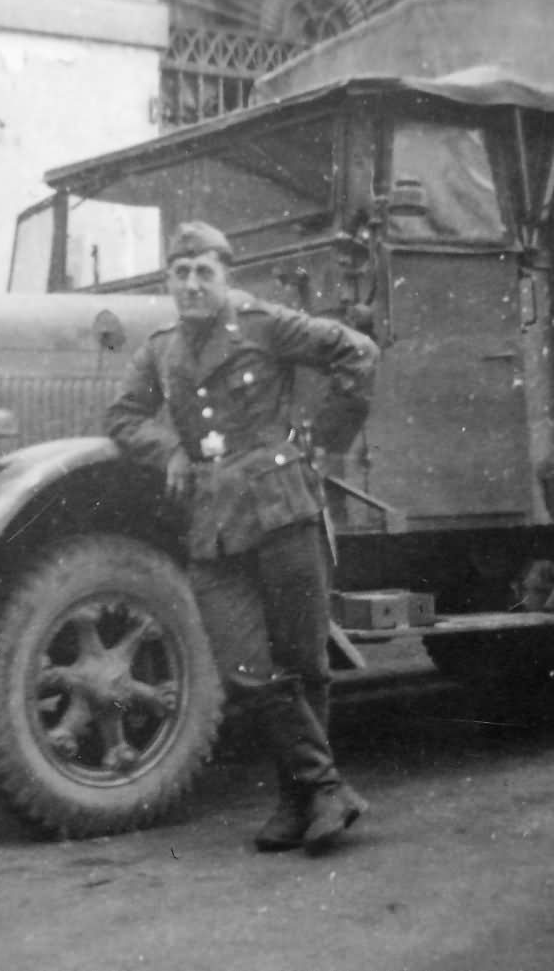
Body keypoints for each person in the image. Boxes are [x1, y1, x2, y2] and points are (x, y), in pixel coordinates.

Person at [105, 221, 379, 855]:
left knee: (304, 663)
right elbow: (121, 416)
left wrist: (322, 440)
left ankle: (298, 800)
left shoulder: (263, 324)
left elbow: (357, 353)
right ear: (167, 280)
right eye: (181, 273)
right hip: (213, 525)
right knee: (247, 670)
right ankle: (327, 786)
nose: (193, 284)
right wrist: (168, 447)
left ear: (226, 277)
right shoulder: (162, 350)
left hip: (283, 509)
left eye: (205, 272)